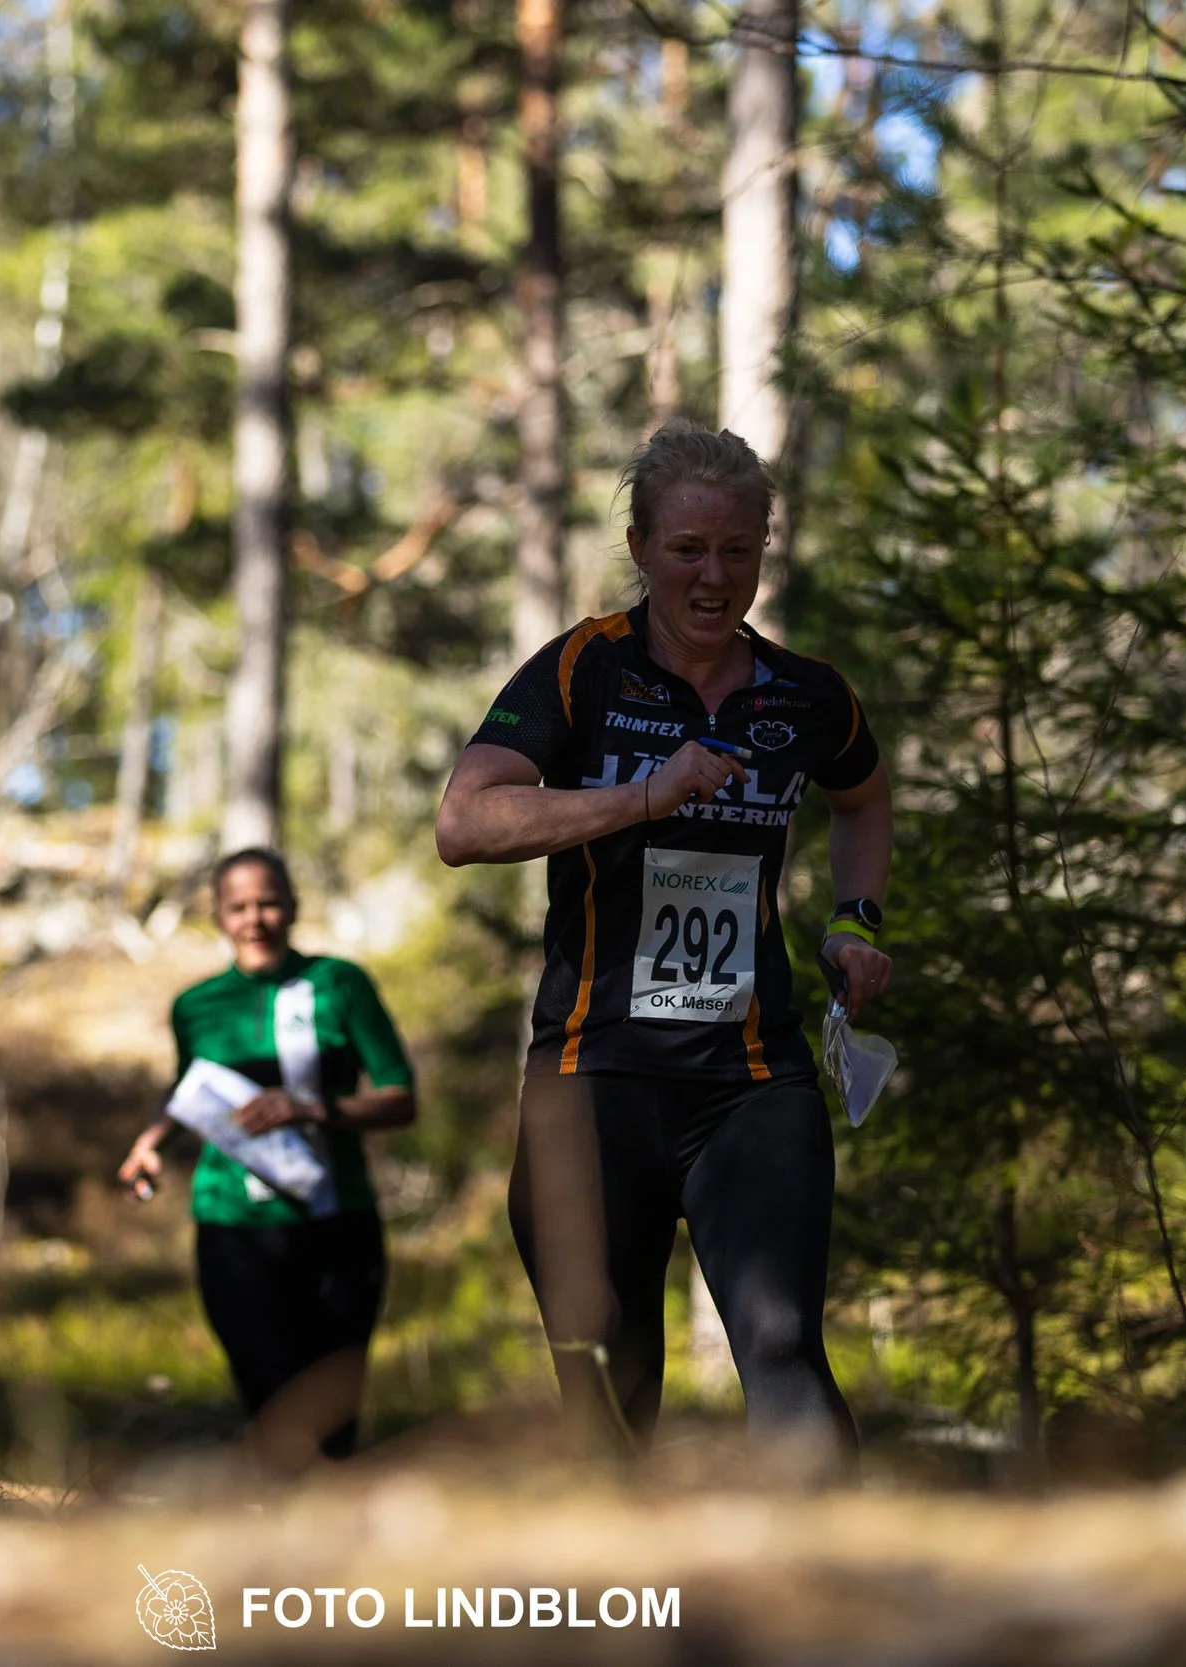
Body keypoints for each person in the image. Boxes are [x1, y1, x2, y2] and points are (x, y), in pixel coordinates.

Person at [434, 421, 894, 1478]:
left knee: (781, 1345)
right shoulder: (580, 672)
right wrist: (640, 795)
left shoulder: (807, 695)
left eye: (739, 548)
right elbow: (464, 823)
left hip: (751, 1077)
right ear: (638, 546)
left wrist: (857, 920)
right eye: (687, 548)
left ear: (765, 548)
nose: (713, 574)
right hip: (592, 1077)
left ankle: (835, 1606)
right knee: (607, 1382)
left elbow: (863, 799)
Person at [117, 848, 418, 1464]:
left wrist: (311, 1109)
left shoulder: (341, 985)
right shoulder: (196, 1005)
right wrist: (149, 1145)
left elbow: (400, 1098)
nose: (256, 918)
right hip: (233, 1230)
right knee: (271, 1405)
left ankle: (329, 1537)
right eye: (239, 907)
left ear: (293, 906)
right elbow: (186, 1093)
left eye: (269, 902)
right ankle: (283, 1536)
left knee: (333, 1413)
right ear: (219, 917)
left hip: (337, 1225)